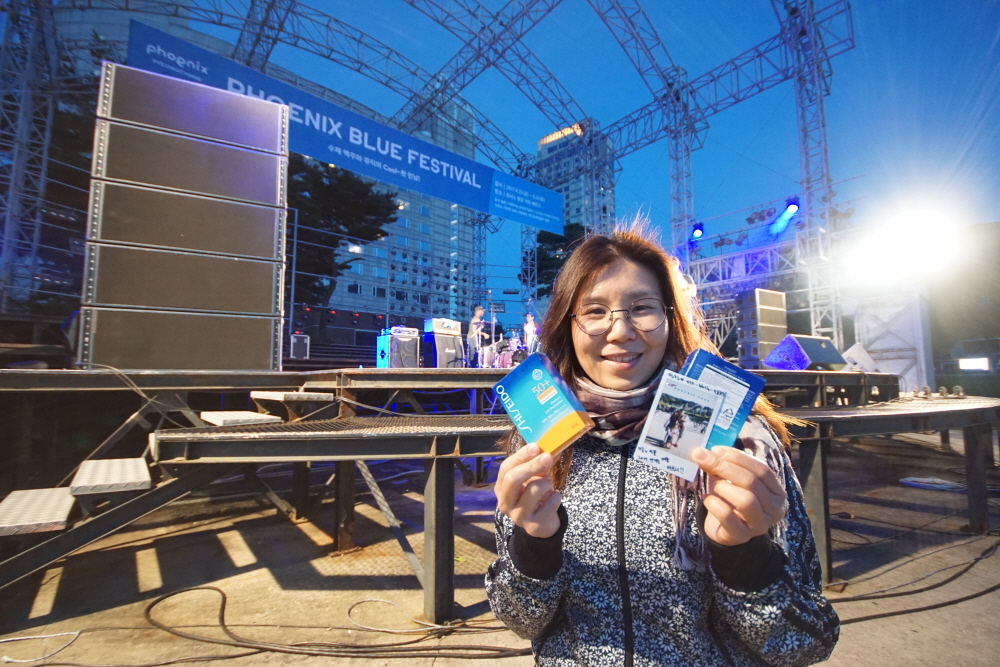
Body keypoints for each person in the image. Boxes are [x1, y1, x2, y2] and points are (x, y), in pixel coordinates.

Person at [486, 222, 838, 666]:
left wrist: (747, 558)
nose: (620, 330)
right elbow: (520, 621)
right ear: (567, 325)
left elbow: (807, 641)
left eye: (642, 308)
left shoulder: (739, 441)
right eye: (594, 311)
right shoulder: (541, 440)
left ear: (671, 318)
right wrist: (533, 547)